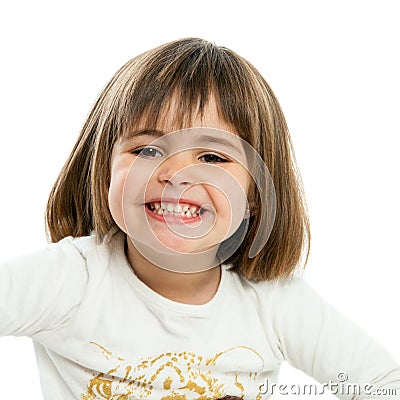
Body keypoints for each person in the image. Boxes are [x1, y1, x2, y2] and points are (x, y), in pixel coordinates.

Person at [0, 38, 399, 400]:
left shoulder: (273, 302)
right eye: (147, 150)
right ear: (104, 170)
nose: (175, 173)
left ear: (256, 195)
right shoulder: (70, 281)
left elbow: (382, 384)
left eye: (212, 157)